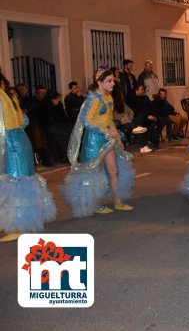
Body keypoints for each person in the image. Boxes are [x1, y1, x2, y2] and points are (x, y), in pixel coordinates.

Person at [60, 66, 135, 217]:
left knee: (114, 171)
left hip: (108, 140)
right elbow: (86, 121)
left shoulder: (109, 97)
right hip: (94, 141)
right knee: (95, 173)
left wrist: (117, 138)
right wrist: (107, 131)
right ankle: (96, 204)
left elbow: (109, 120)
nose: (112, 84)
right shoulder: (92, 98)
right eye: (109, 81)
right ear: (99, 82)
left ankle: (117, 201)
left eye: (113, 81)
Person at [0, 74, 56, 242]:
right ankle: (24, 222)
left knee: (14, 184)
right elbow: (24, 121)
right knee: (23, 182)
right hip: (21, 139)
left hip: (10, 144)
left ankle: (17, 226)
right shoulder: (10, 96)